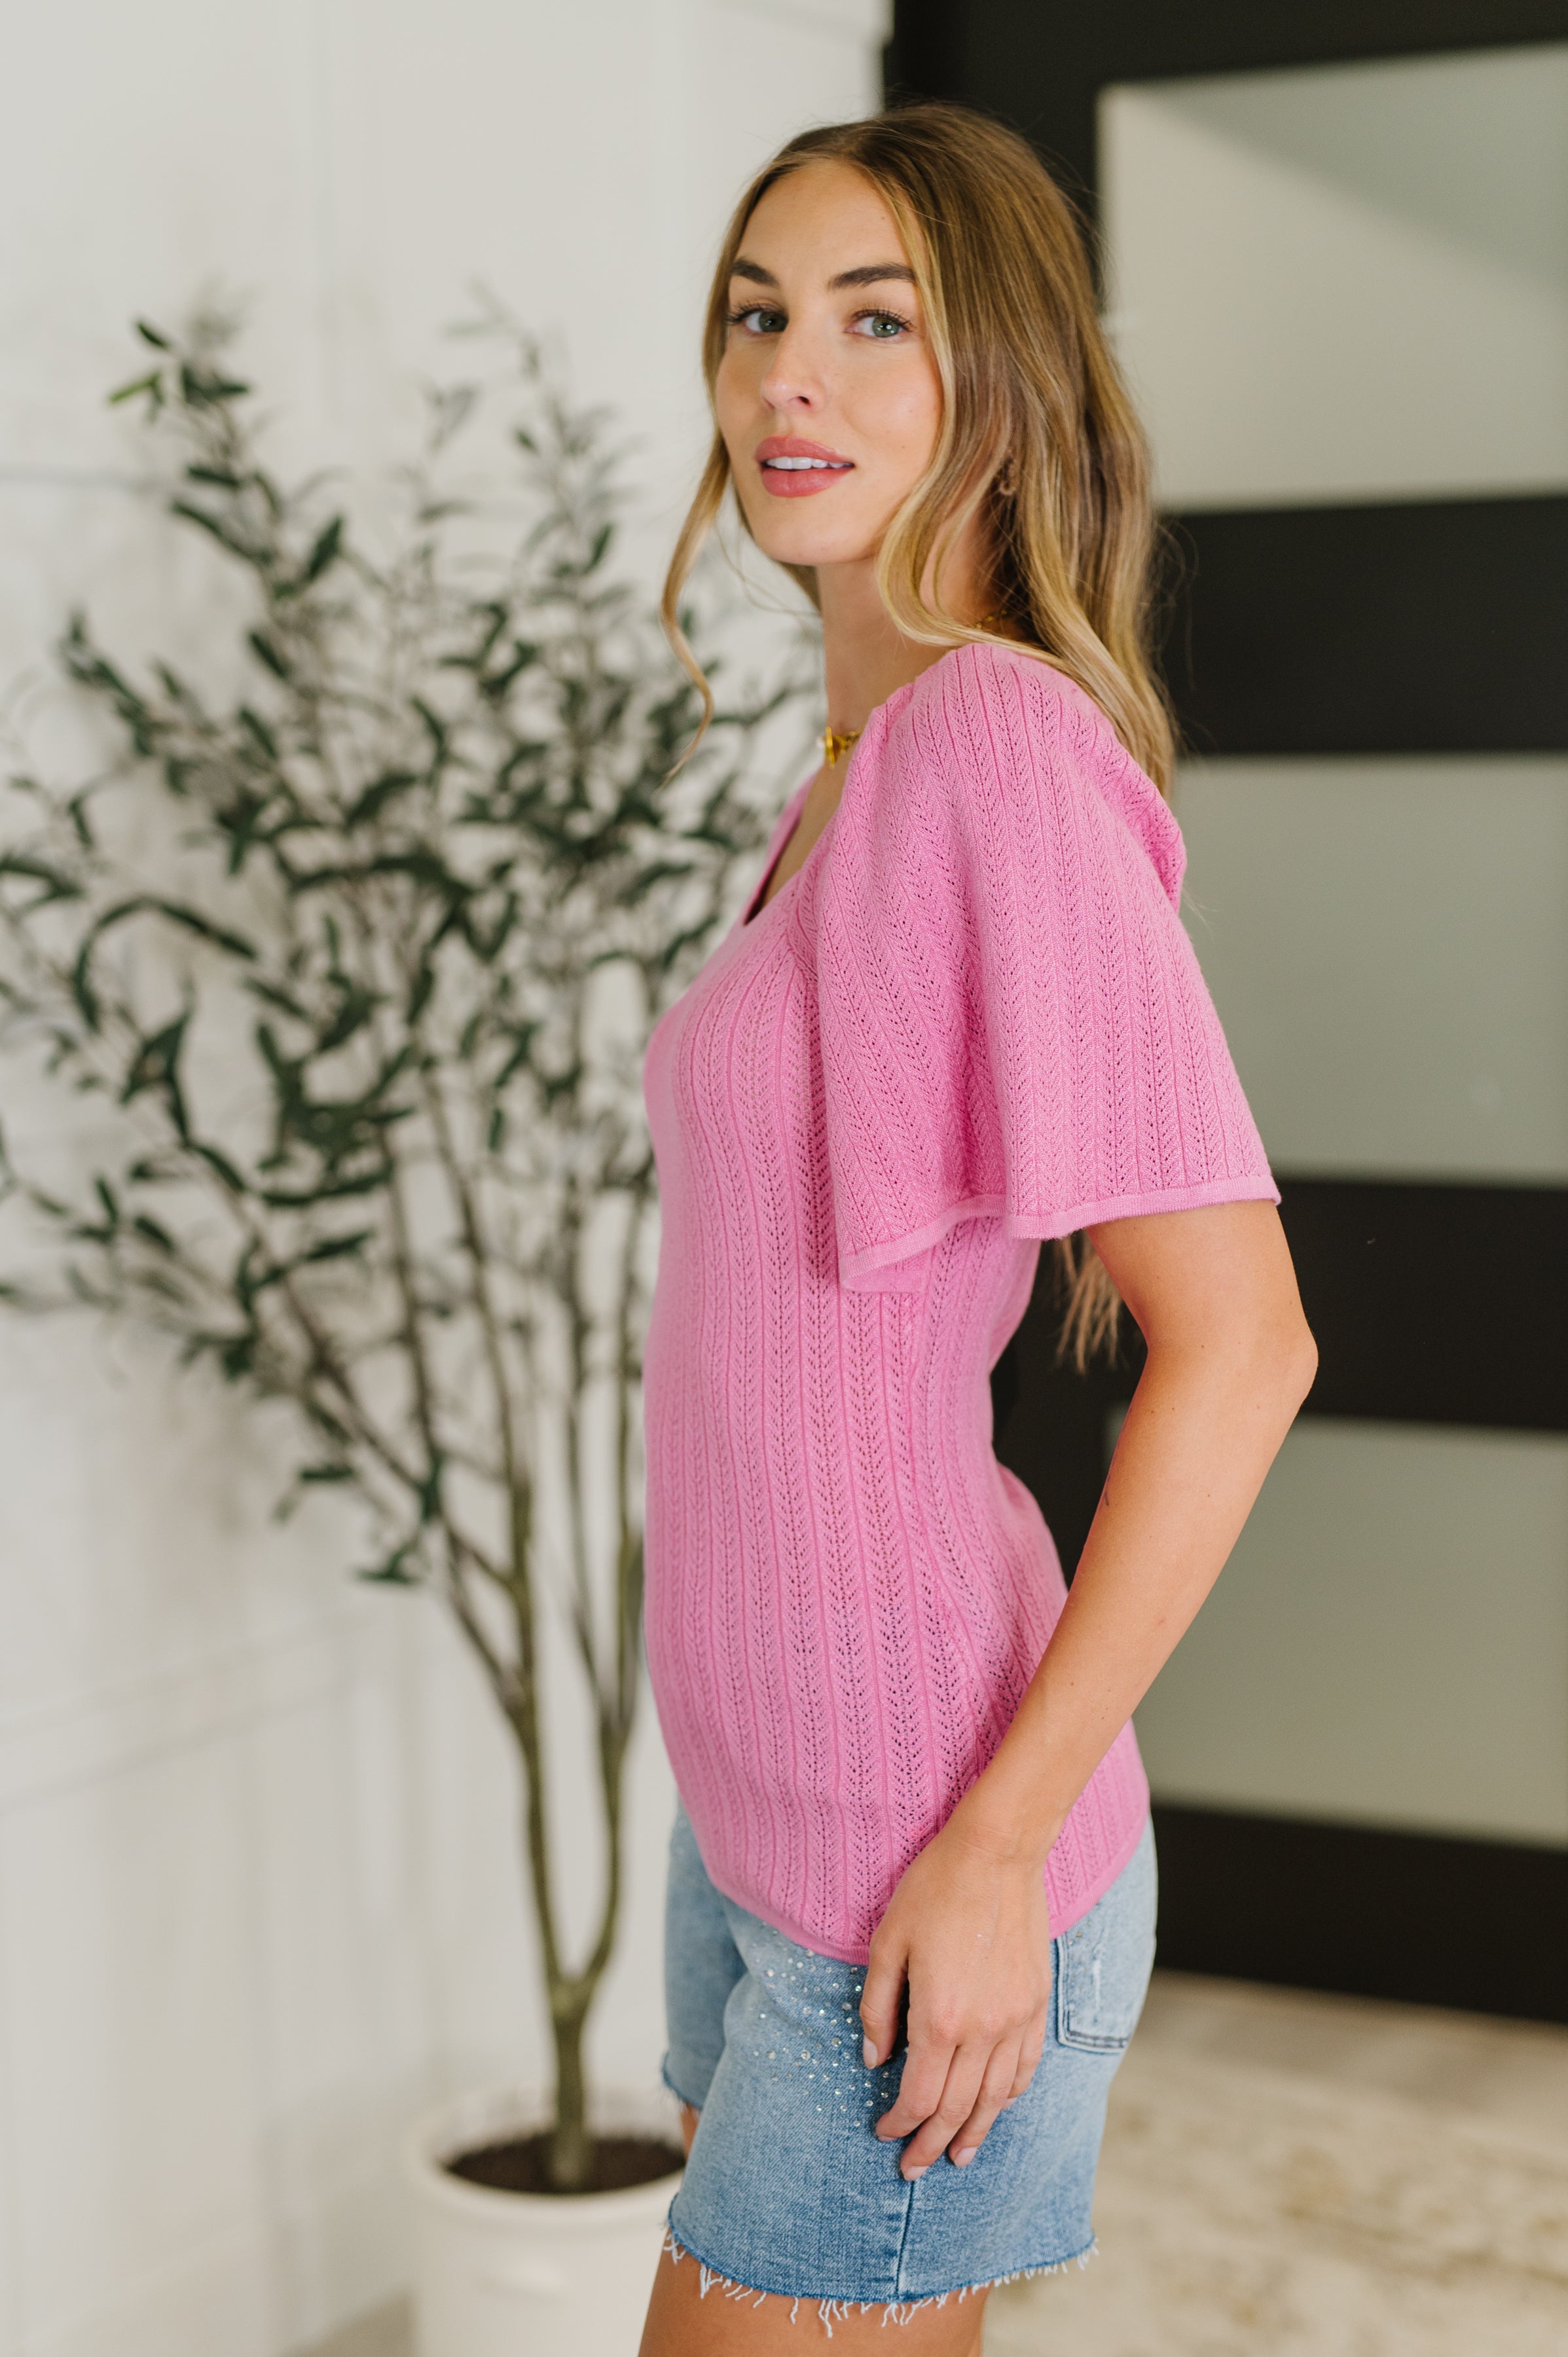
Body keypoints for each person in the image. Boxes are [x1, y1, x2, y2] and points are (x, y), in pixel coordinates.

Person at [636, 102, 1316, 2353]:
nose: (786, 377)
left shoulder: (990, 750)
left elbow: (1245, 1345)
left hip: (908, 1833)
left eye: (873, 322)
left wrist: (993, 1847)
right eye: (756, 316)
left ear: (998, 384)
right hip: (760, 1807)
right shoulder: (850, 769)